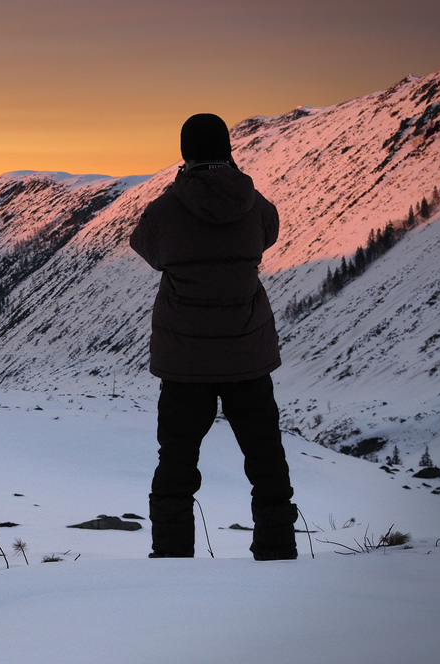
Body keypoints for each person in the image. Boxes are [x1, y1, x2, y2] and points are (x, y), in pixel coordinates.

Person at [129, 113, 298, 561]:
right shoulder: (254, 204)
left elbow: (145, 246)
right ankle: (278, 553)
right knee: (265, 459)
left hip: (185, 361)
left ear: (186, 152)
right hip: (247, 353)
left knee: (177, 464)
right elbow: (270, 233)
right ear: (227, 149)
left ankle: (171, 557)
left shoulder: (166, 209)